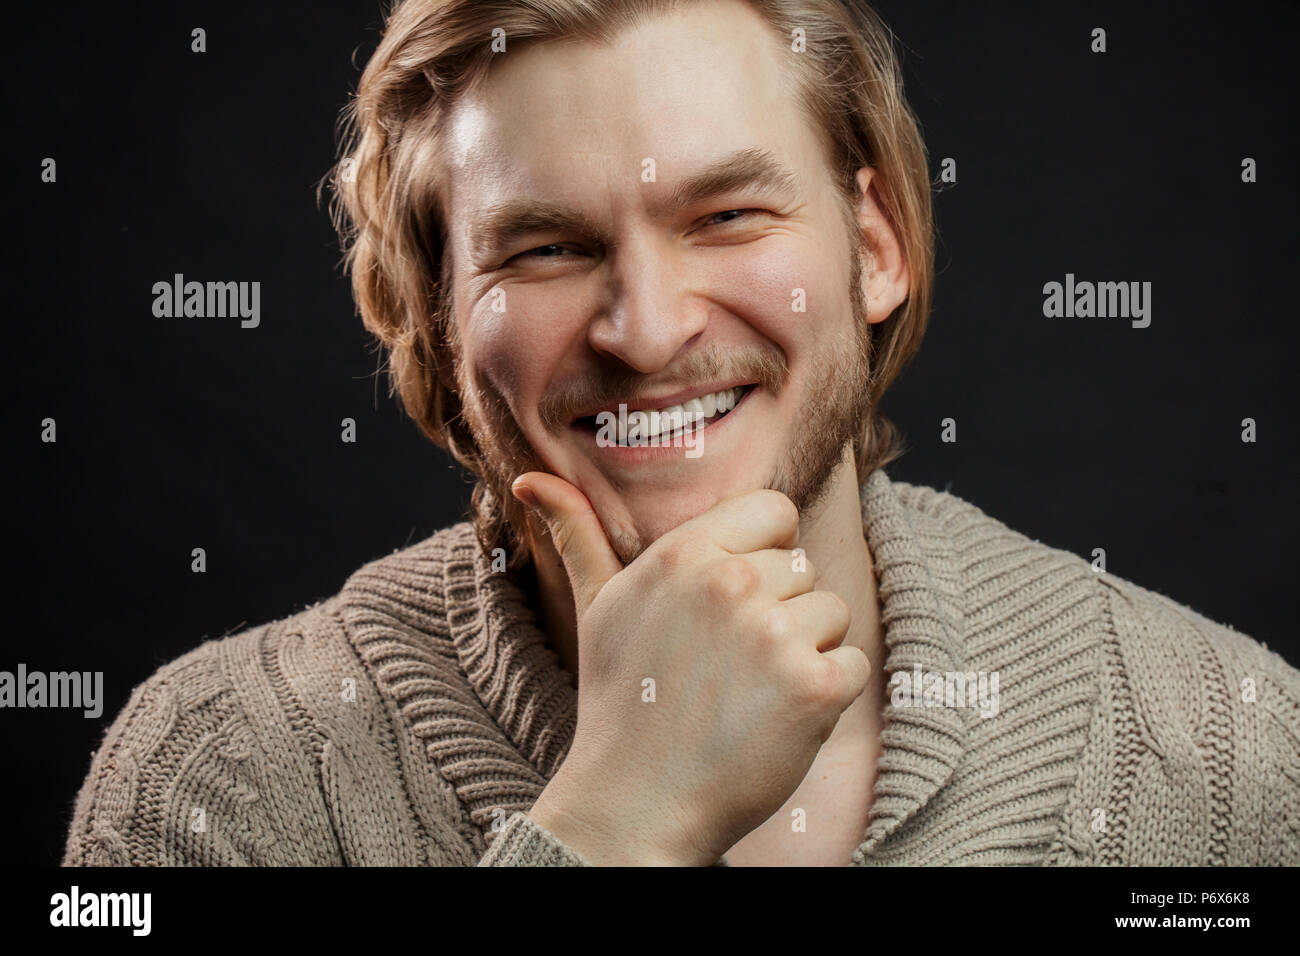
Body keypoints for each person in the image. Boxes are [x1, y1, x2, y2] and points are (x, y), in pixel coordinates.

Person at [63, 0, 1300, 866]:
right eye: (545, 246)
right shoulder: (214, 780)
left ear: (874, 248)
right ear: (439, 316)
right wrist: (610, 831)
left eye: (726, 214)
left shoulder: (1231, 747)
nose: (647, 331)